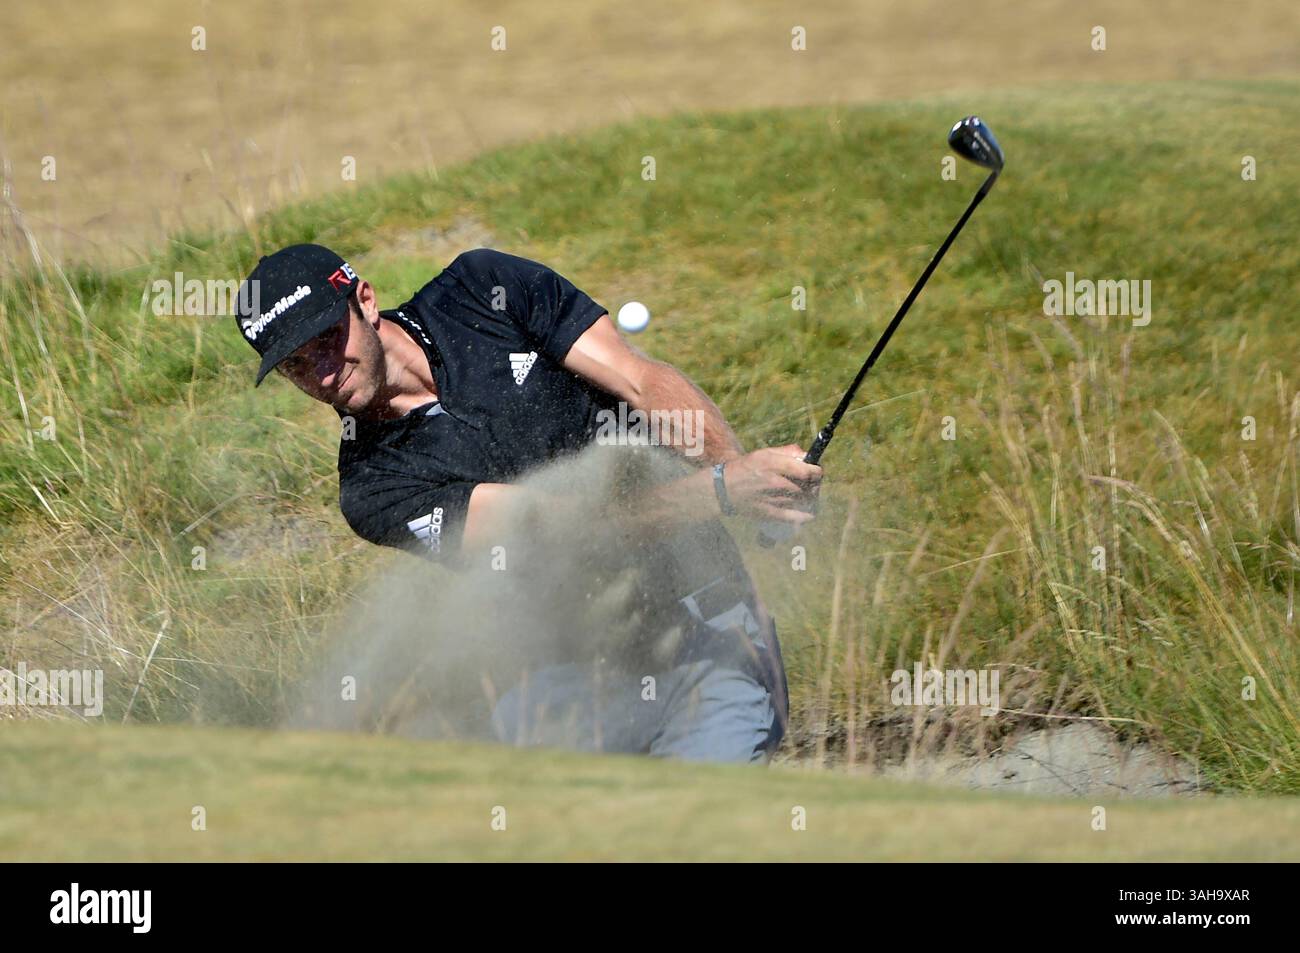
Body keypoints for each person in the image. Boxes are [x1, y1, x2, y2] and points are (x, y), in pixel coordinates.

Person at [234, 243, 822, 762]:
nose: (324, 374)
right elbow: (561, 531)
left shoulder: (483, 288)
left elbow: (640, 382)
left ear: (363, 299)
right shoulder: (372, 486)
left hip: (703, 622)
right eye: (296, 365)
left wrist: (748, 482)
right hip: (565, 675)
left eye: (327, 340)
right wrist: (722, 491)